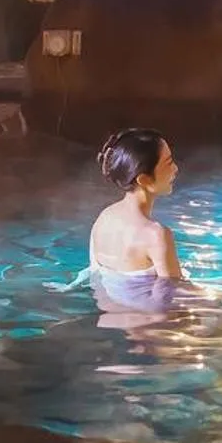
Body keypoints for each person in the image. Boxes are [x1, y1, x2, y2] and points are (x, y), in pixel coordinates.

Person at [88, 128, 185, 309]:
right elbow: (168, 302)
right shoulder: (156, 235)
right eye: (168, 163)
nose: (176, 169)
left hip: (110, 316)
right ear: (144, 180)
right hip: (144, 326)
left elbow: (97, 279)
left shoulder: (103, 218)